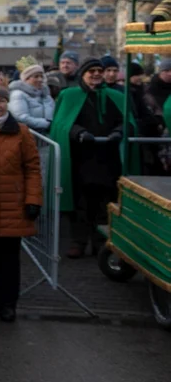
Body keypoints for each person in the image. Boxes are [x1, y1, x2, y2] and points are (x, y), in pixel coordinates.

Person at [51, 57, 132, 259]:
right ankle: (78, 241)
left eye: (99, 70)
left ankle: (101, 242)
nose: (96, 74)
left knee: (105, 202)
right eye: (91, 71)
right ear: (83, 74)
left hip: (107, 157)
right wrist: (78, 132)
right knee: (80, 202)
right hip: (80, 158)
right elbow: (61, 124)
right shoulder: (69, 95)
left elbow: (128, 121)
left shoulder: (115, 95)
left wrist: (118, 132)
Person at [0, 74, 42, 323]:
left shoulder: (22, 133)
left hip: (12, 207)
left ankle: (8, 305)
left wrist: (33, 199)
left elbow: (33, 169)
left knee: (9, 262)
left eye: (1, 101)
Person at [8, 57, 55, 133]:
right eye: (36, 76)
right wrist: (46, 124)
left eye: (41, 76)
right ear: (26, 79)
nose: (40, 79)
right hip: (30, 135)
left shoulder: (45, 94)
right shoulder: (18, 94)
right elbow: (21, 117)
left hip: (46, 135)